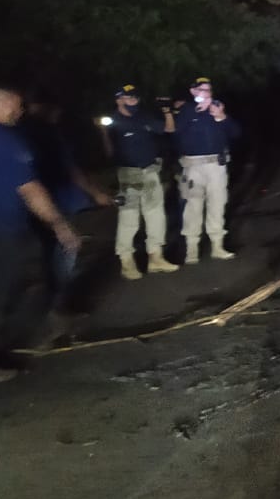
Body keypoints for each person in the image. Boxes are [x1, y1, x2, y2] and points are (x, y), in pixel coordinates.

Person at [0, 84, 81, 380]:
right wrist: (59, 225)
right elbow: (31, 190)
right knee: (7, 288)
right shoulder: (7, 141)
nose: (20, 112)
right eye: (16, 106)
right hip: (3, 229)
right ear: (0, 104)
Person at [19, 92, 110, 328]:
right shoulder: (47, 134)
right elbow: (71, 170)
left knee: (51, 252)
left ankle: (54, 299)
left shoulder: (22, 133)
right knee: (65, 248)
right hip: (53, 202)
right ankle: (59, 304)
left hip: (38, 204)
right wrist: (95, 192)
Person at [104, 83, 178, 279]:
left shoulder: (143, 117)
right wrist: (102, 133)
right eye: (129, 98)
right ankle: (127, 262)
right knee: (129, 219)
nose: (133, 101)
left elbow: (168, 129)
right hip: (129, 175)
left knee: (156, 216)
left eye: (135, 98)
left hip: (150, 171)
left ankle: (156, 258)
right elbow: (109, 153)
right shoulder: (113, 122)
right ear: (119, 99)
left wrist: (167, 112)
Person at [172, 76, 240, 263]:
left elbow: (235, 133)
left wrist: (221, 117)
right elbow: (174, 133)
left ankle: (217, 247)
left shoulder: (217, 108)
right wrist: (193, 112)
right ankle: (191, 251)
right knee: (192, 208)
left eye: (208, 90)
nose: (206, 93)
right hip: (193, 167)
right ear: (193, 92)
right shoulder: (184, 111)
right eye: (202, 90)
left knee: (217, 205)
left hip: (216, 166)